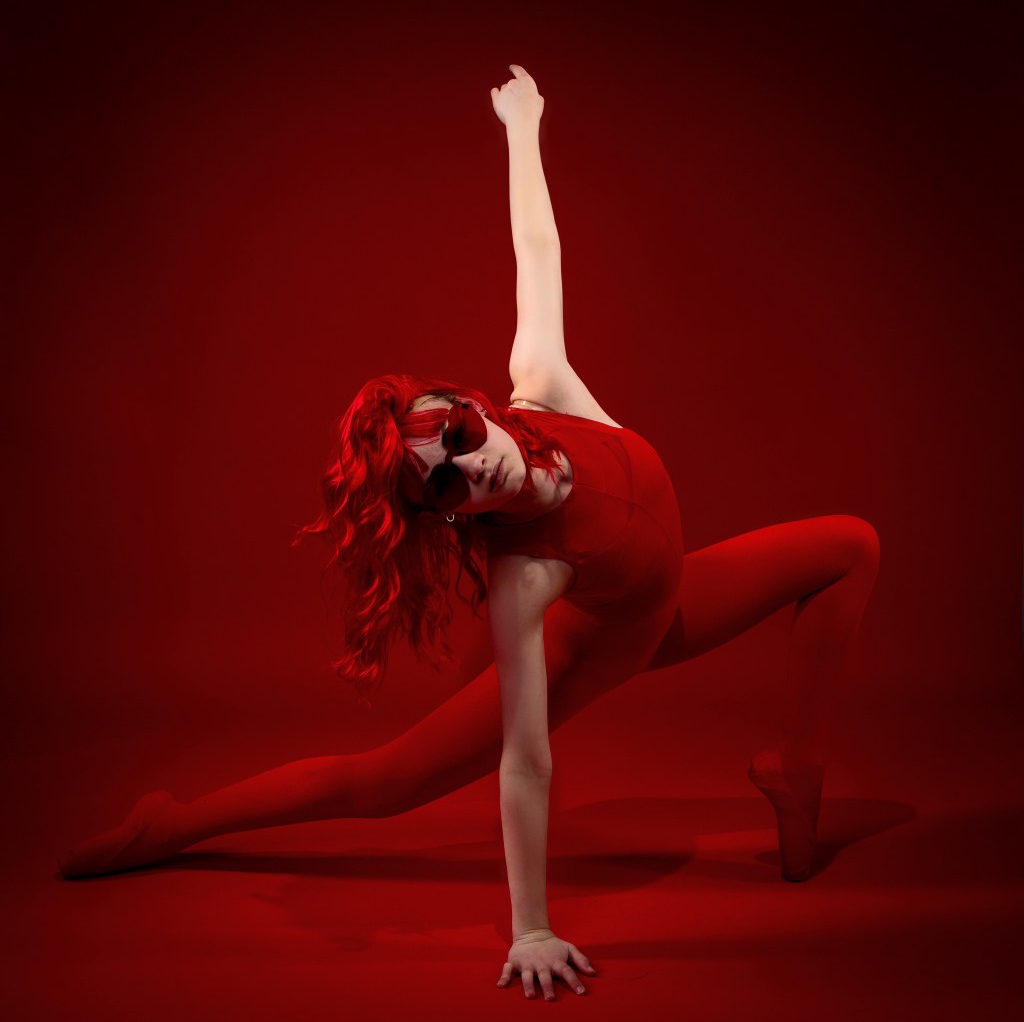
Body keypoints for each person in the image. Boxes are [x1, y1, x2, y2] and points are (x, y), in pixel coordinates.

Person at [57, 65, 881, 1002]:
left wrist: (521, 126)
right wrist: (531, 925)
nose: (467, 465)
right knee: (382, 784)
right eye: (443, 483)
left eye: (455, 437)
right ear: (450, 511)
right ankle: (173, 823)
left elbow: (538, 242)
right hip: (599, 648)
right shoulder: (524, 571)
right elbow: (527, 760)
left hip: (673, 597)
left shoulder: (548, 385)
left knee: (850, 545)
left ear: (473, 407)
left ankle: (793, 766)